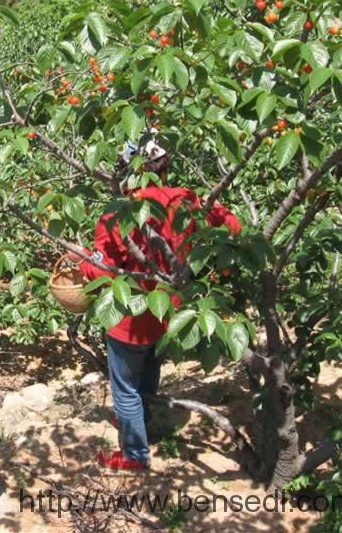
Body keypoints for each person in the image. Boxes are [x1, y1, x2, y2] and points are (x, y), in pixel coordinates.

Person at [66, 139, 241, 472]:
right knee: (149, 368)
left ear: (129, 172)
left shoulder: (116, 214)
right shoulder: (187, 199)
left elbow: (102, 269)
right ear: (165, 166)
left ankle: (135, 455)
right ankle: (143, 422)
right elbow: (233, 226)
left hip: (130, 320)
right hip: (172, 314)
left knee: (125, 388)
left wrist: (81, 259)